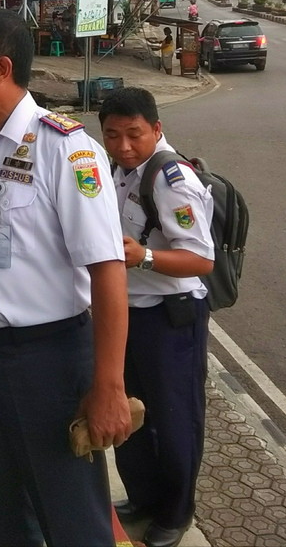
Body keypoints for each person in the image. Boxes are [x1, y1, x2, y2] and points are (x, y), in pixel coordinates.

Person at [0, 7, 132, 546]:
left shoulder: (67, 149)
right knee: (1, 509)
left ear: (1, 68)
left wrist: (108, 386)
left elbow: (108, 273)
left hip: (50, 363)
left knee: (71, 516)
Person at [99, 88, 214, 547]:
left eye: (134, 135)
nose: (124, 146)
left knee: (175, 418)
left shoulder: (171, 179)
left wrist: (142, 256)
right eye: (112, 135)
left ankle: (176, 511)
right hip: (129, 313)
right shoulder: (117, 170)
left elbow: (201, 260)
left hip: (171, 320)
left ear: (157, 129)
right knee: (132, 414)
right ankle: (143, 498)